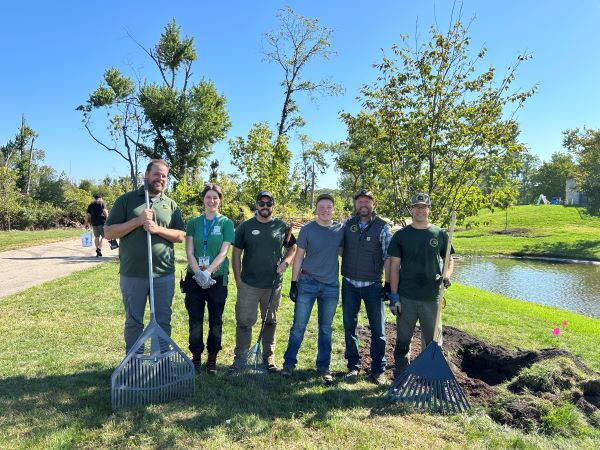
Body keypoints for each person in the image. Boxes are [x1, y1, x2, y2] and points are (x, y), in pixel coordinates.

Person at [104, 159, 186, 354]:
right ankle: (134, 362)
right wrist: (137, 220)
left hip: (163, 274)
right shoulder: (126, 200)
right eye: (157, 174)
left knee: (163, 320)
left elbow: (181, 235)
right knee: (133, 322)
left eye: (164, 176)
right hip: (133, 273)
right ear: (146, 175)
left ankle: (161, 361)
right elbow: (108, 233)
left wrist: (157, 229)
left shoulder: (170, 204)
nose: (160, 179)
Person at [387, 193, 454, 376]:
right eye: (416, 207)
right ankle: (401, 373)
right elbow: (393, 267)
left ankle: (431, 375)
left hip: (431, 297)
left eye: (423, 207)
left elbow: (448, 260)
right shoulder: (401, 236)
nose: (420, 210)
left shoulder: (439, 234)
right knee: (403, 339)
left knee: (433, 341)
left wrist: (446, 275)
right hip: (406, 297)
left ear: (429, 210)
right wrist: (394, 296)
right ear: (411, 210)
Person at [230, 191, 297, 373]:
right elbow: (236, 254)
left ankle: (269, 358)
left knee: (270, 322)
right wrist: (238, 280)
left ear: (273, 206)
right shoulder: (245, 227)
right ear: (256, 205)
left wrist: (286, 262)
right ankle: (241, 358)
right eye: (261, 203)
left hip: (273, 285)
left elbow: (292, 248)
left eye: (268, 204)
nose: (265, 207)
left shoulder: (281, 227)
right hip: (249, 284)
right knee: (244, 322)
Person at [282, 193, 344, 384]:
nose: (325, 210)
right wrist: (294, 282)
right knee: (299, 326)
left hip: (331, 286)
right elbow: (299, 256)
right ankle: (289, 364)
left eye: (329, 207)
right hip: (307, 282)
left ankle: (324, 366)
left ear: (334, 210)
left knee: (325, 328)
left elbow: (344, 251)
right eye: (321, 207)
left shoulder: (341, 229)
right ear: (316, 209)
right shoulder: (308, 229)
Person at [340, 189, 392, 385]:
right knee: (349, 327)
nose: (363, 204)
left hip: (373, 286)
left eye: (367, 201)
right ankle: (353, 366)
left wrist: (388, 284)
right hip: (350, 284)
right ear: (356, 205)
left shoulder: (382, 228)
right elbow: (339, 248)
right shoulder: (347, 225)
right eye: (360, 201)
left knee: (378, 330)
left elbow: (388, 257)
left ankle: (378, 369)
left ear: (373, 205)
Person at [183, 183, 234, 374]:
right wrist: (198, 274)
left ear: (220, 200)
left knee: (216, 319)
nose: (211, 200)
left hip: (217, 279)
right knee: (195, 319)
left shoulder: (226, 223)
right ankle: (196, 356)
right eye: (208, 197)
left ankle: (212, 357)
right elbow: (189, 251)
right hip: (194, 279)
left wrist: (208, 273)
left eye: (215, 197)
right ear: (203, 199)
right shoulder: (194, 223)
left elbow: (223, 252)